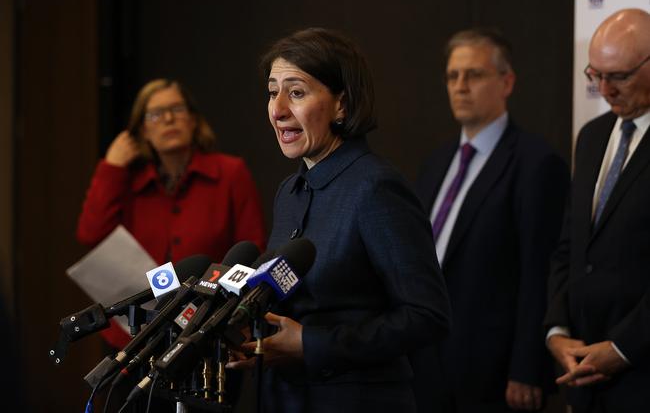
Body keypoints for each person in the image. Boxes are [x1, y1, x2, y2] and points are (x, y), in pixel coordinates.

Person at [228, 27, 451, 413]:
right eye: (272, 91)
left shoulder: (376, 188)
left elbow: (426, 316)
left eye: (296, 92)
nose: (278, 109)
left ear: (342, 105)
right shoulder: (290, 192)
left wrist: (312, 344)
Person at [412, 28, 569, 412]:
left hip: (494, 374)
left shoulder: (536, 163)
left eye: (474, 75)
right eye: (453, 76)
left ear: (507, 81)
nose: (460, 86)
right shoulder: (436, 163)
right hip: (424, 364)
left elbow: (539, 272)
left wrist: (527, 367)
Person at [77, 78, 266, 349]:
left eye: (177, 110)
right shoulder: (127, 180)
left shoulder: (230, 173)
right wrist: (111, 167)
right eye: (155, 114)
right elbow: (90, 234)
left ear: (192, 119)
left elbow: (252, 250)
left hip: (206, 331)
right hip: (136, 334)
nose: (168, 119)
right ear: (142, 131)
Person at [545, 8, 650, 412]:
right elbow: (570, 247)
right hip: (583, 380)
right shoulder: (591, 138)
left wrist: (623, 349)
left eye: (619, 76)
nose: (604, 89)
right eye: (595, 75)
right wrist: (556, 330)